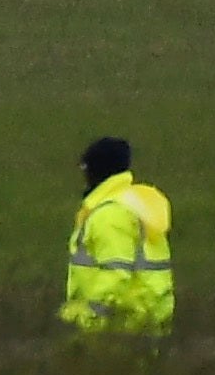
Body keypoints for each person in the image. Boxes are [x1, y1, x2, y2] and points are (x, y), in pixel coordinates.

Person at [60, 134, 175, 336]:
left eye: (84, 168)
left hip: (118, 328)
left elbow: (115, 275)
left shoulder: (110, 214)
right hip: (146, 320)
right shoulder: (134, 204)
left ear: (96, 170)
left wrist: (89, 319)